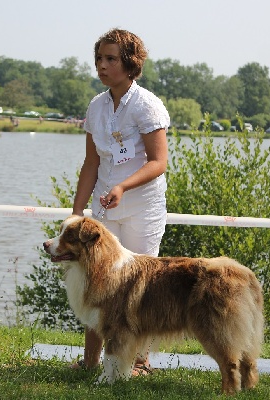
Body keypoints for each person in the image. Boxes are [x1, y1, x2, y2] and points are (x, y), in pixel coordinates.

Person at [70, 28, 170, 376]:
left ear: (130, 64)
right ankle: (89, 361)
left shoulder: (147, 105)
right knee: (96, 282)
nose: (102, 65)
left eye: (111, 58)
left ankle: (139, 363)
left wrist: (124, 187)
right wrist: (77, 212)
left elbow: (158, 162)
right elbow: (91, 164)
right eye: (99, 58)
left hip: (143, 207)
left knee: (141, 288)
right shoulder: (96, 106)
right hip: (104, 209)